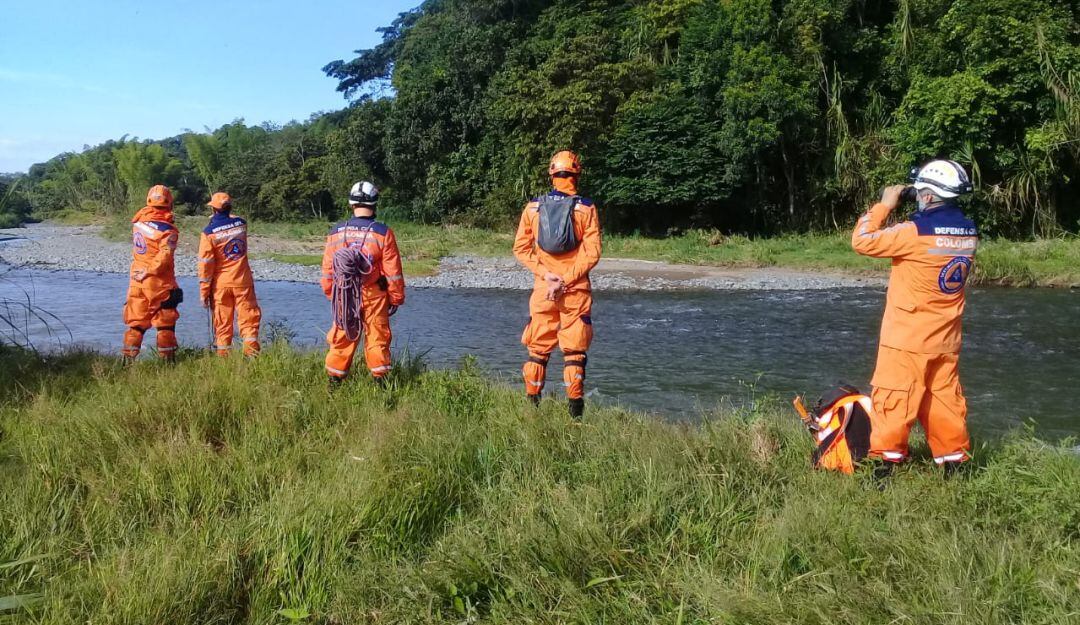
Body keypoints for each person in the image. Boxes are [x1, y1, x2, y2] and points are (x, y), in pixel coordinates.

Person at [852, 159, 978, 472]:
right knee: (944, 403)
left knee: (893, 401)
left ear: (930, 194)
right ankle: (954, 465)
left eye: (920, 190)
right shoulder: (968, 232)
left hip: (906, 339)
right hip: (945, 339)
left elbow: (862, 240)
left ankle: (884, 468)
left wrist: (884, 205)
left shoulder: (913, 233)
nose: (918, 195)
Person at [513, 150, 602, 419]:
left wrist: (547, 276)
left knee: (537, 350)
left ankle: (532, 410)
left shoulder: (532, 208)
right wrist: (566, 279)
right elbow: (593, 252)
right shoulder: (586, 208)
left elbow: (520, 249)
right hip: (574, 291)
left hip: (544, 289)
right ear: (577, 173)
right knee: (573, 352)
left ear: (552, 174)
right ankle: (575, 417)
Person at [321, 181, 405, 384]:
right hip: (374, 295)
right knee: (377, 337)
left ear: (351, 205)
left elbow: (327, 271)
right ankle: (381, 384)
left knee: (342, 336)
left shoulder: (336, 232)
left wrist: (334, 295)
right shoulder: (383, 233)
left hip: (345, 294)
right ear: (375, 204)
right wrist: (396, 298)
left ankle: (334, 383)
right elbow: (393, 273)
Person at [122, 184, 182, 362]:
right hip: (159, 283)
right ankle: (167, 363)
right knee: (165, 324)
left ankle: (127, 362)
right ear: (169, 203)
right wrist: (149, 272)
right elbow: (164, 257)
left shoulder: (138, 223)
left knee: (136, 325)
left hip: (136, 282)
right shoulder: (167, 230)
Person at [197, 192, 262, 357]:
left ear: (213, 209)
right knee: (249, 321)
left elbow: (205, 265)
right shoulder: (241, 224)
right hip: (243, 282)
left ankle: (224, 360)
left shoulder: (208, 232)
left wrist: (204, 292)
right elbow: (232, 219)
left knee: (223, 324)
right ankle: (251, 356)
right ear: (230, 207)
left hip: (221, 285)